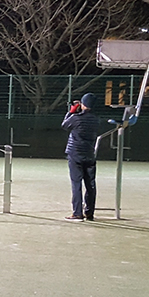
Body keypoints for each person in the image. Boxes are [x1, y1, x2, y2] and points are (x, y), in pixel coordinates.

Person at [62, 92, 100, 221]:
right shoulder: (96, 120)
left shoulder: (76, 118)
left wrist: (72, 110)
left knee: (76, 183)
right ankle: (89, 213)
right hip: (89, 154)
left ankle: (77, 212)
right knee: (91, 185)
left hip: (75, 154)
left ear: (83, 105)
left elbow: (64, 125)